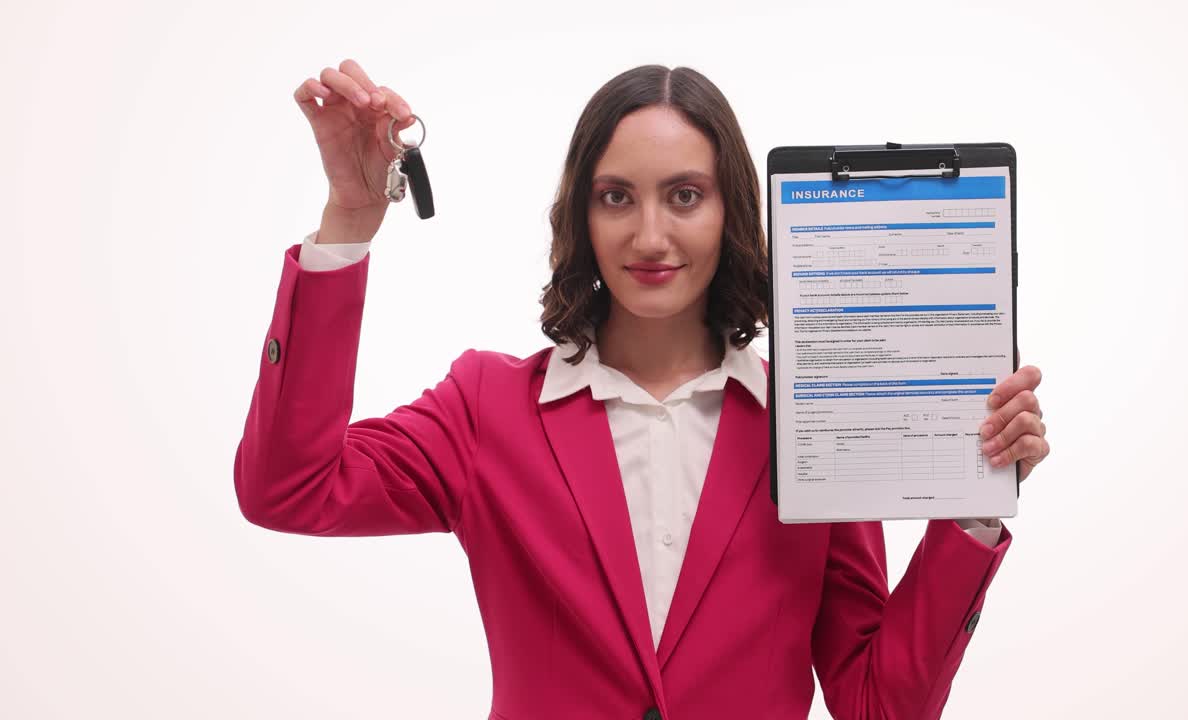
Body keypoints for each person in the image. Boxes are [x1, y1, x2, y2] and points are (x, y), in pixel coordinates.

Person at [234, 59, 1051, 720]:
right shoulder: (487, 408)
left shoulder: (810, 424)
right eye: (616, 196)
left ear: (731, 211)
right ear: (581, 216)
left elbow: (879, 706)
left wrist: (973, 500)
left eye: (684, 196)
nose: (650, 235)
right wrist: (348, 217)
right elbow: (289, 490)